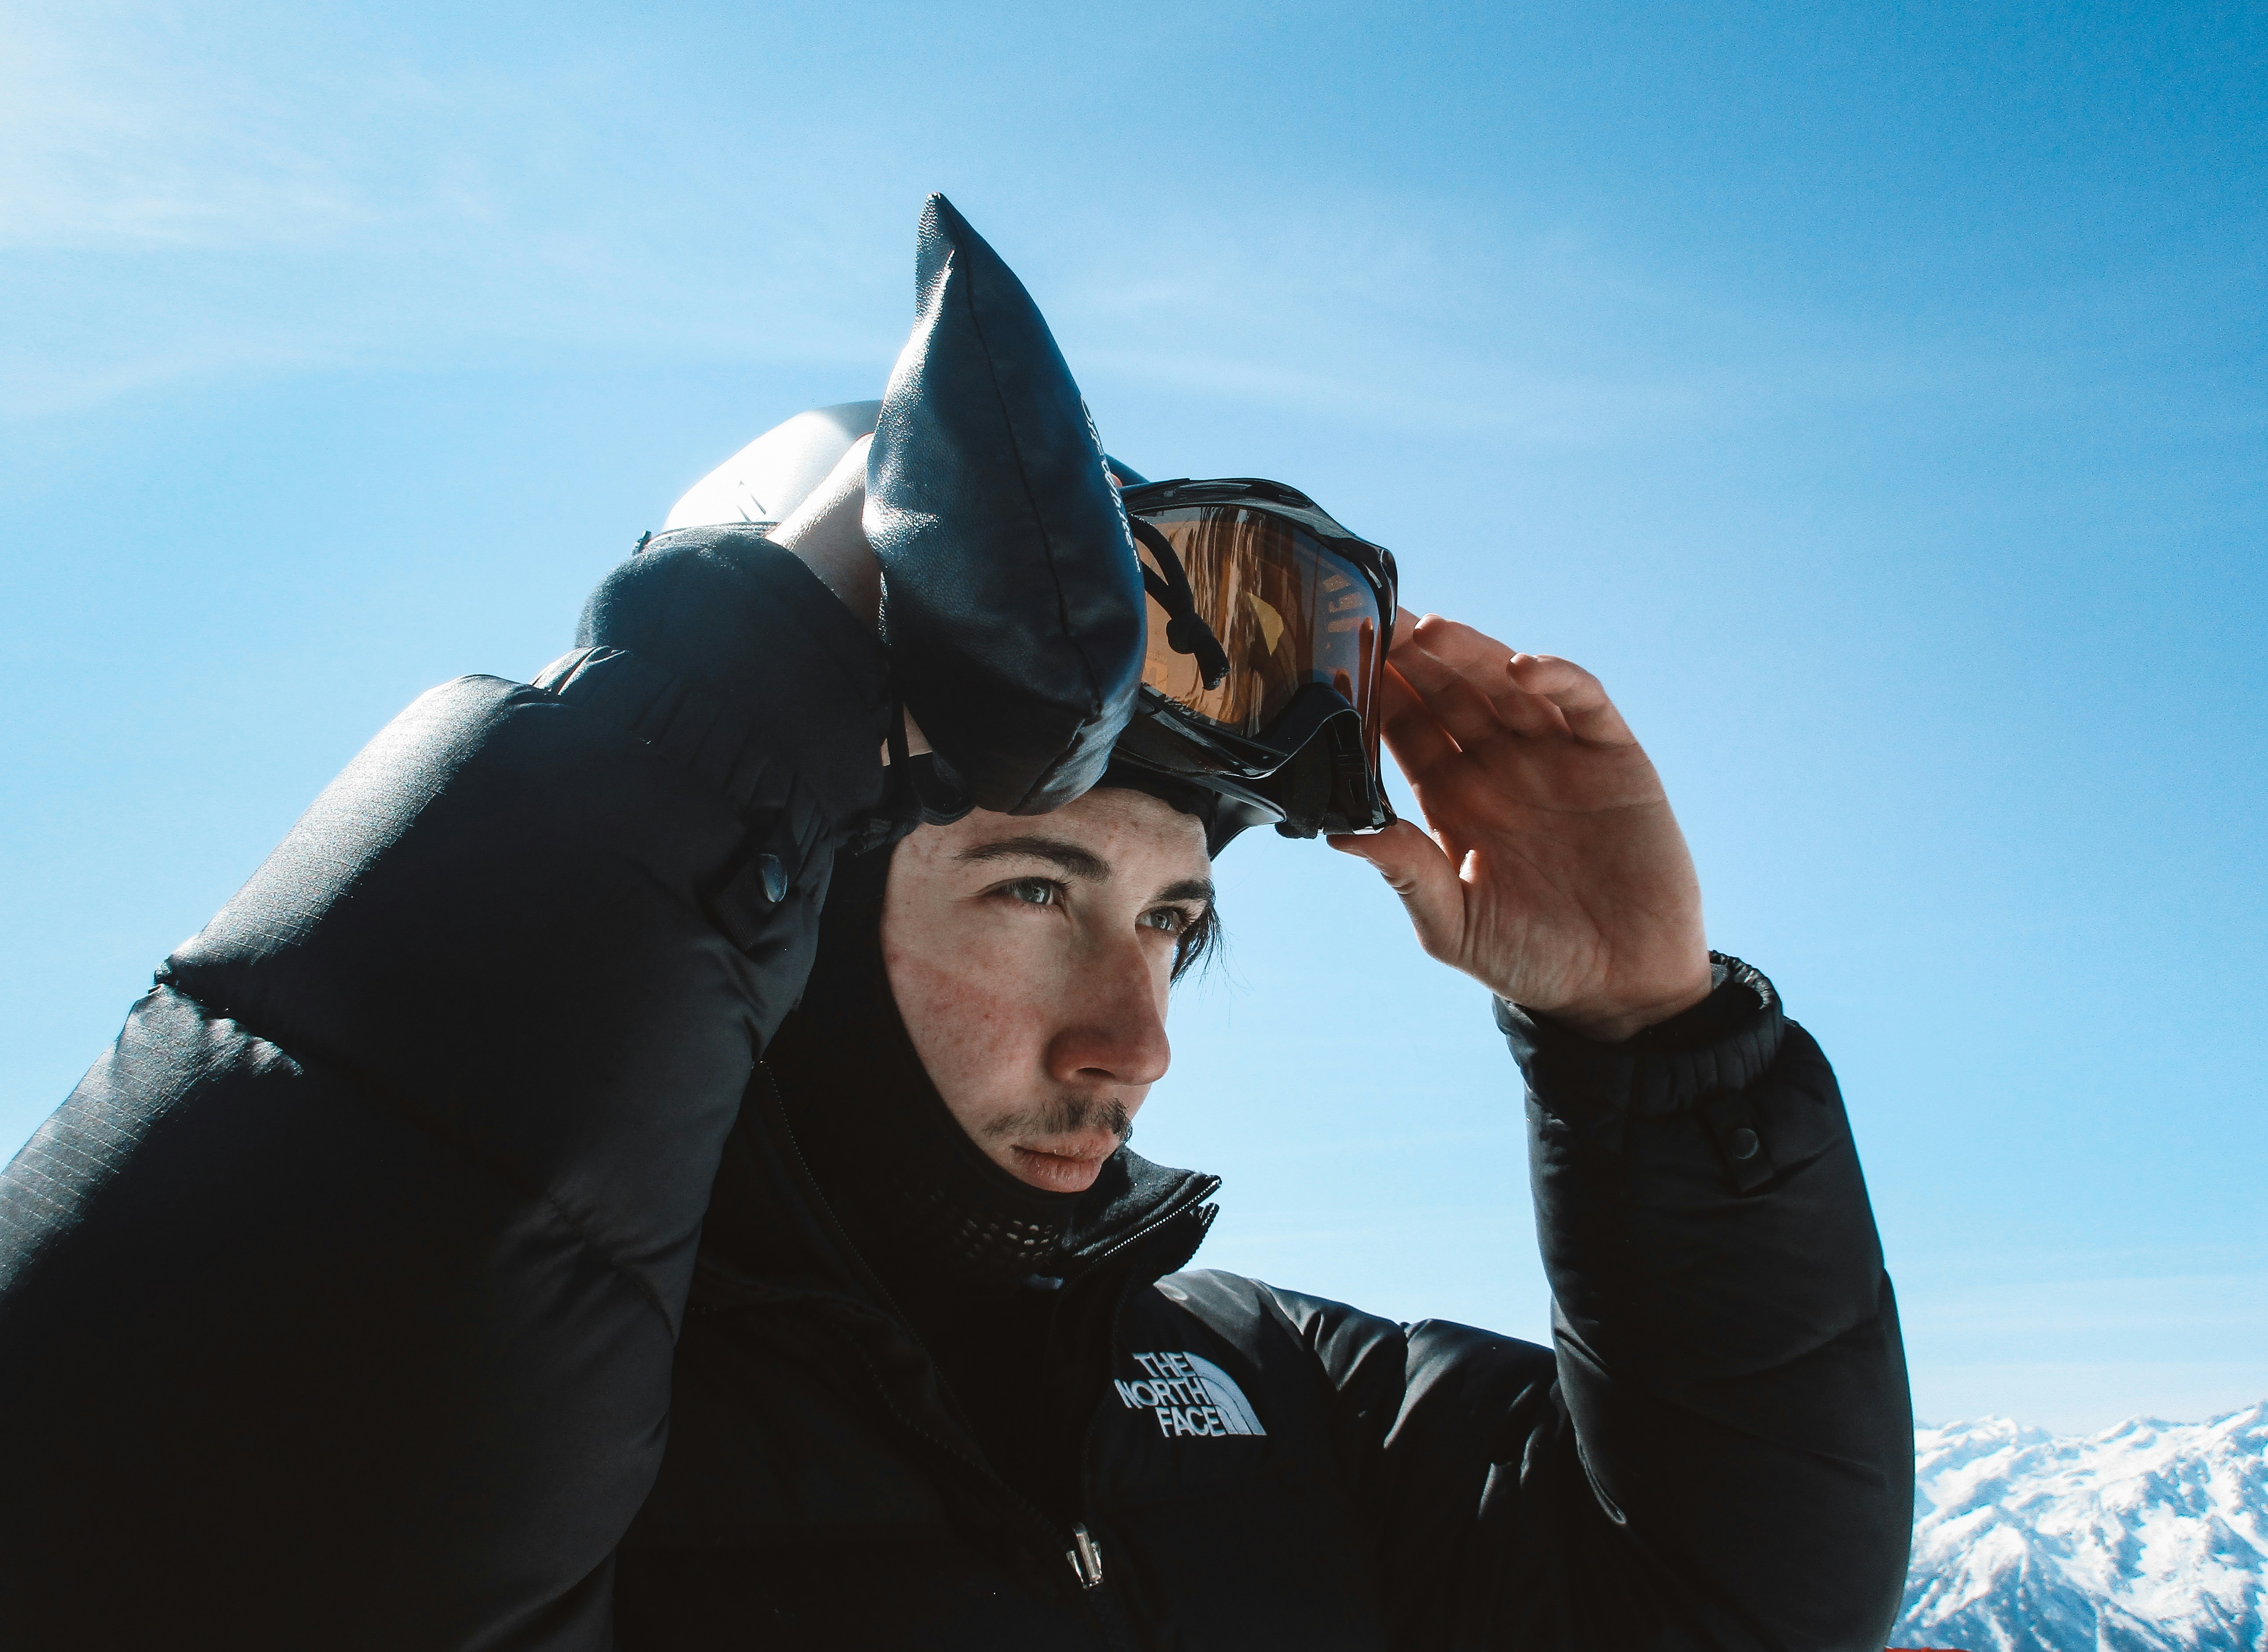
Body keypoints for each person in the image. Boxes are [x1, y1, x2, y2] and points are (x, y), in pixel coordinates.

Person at [0, 196, 1912, 1650]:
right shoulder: (555, 1424)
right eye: (1028, 888)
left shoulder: (1249, 1386)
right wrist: (703, 720)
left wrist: (1656, 1046)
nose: (1131, 1040)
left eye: (1172, 923)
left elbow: (1711, 1606)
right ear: (786, 897)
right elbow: (194, 1489)